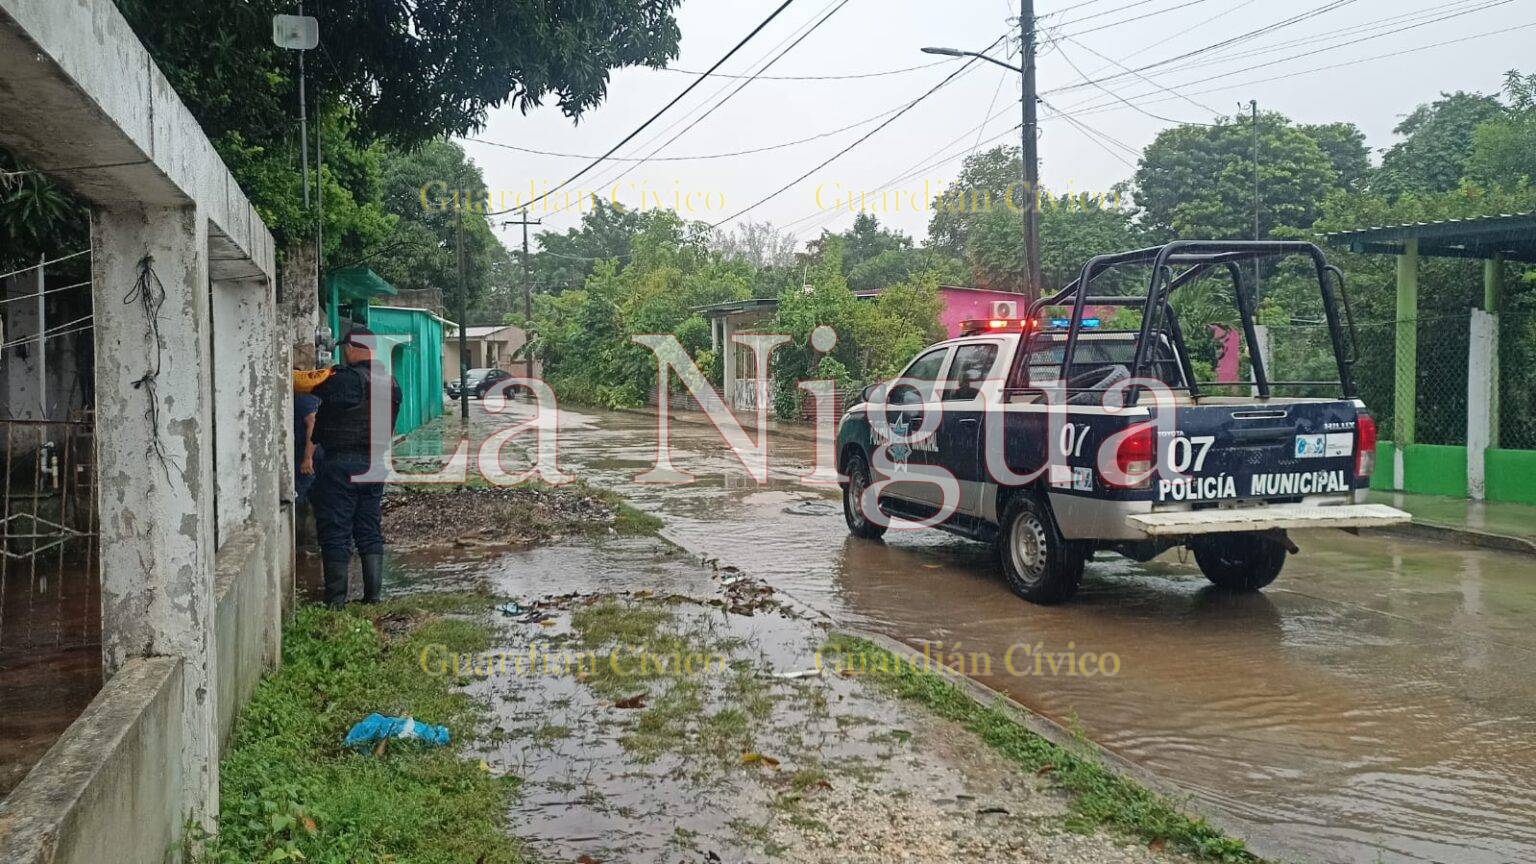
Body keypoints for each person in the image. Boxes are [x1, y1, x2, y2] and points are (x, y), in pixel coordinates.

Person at [310, 326, 401, 608]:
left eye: (344, 349)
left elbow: (312, 385)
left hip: (341, 464)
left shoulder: (346, 379)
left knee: (336, 530)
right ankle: (373, 597)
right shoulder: (391, 382)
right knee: (368, 529)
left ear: (351, 349)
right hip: (374, 463)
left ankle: (336, 603)